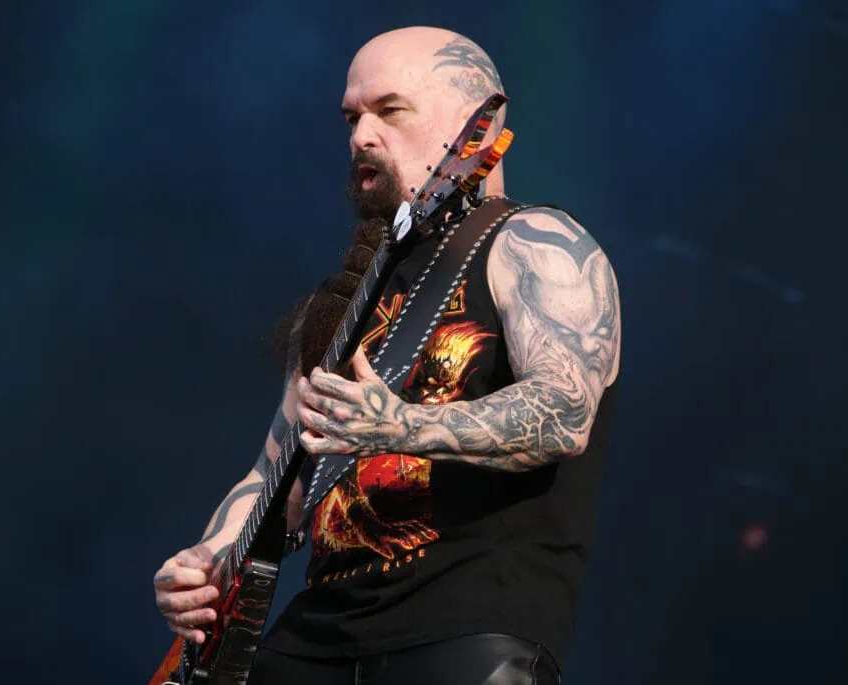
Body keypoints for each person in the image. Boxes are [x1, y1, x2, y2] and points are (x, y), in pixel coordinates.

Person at [152, 25, 621, 684]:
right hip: (314, 637)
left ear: (476, 124)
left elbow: (565, 411)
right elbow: (276, 477)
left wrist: (398, 424)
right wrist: (206, 563)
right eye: (352, 117)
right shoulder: (338, 305)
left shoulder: (535, 242)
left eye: (389, 110)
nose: (361, 136)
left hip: (465, 632)